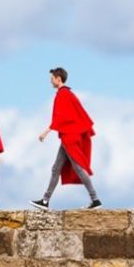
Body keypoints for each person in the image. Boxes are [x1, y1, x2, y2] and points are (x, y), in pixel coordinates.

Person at [30, 67, 101, 210]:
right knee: (56, 168)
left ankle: (95, 199)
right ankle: (45, 200)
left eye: (52, 79)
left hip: (70, 137)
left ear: (58, 79)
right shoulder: (68, 94)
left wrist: (46, 132)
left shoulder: (63, 94)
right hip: (68, 136)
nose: (50, 81)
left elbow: (60, 117)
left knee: (79, 168)